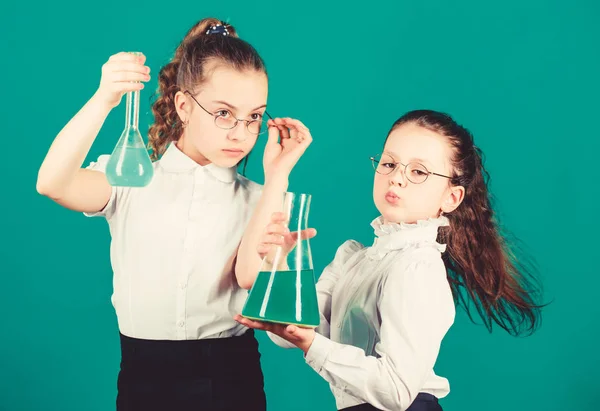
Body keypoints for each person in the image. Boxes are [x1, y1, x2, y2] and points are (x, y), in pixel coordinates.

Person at [36, 17, 313, 411]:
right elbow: (53, 183)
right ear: (183, 105)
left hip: (232, 381)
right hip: (142, 380)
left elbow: (263, 295)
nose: (241, 133)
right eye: (223, 113)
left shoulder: (263, 198)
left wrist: (278, 179)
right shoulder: (129, 179)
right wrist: (105, 98)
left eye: (254, 117)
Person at [236, 109, 542, 411]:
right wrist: (280, 263)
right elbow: (290, 333)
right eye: (389, 163)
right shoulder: (353, 257)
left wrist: (310, 345)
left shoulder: (417, 266)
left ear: (451, 197)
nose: (396, 178)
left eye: (418, 171)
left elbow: (397, 392)